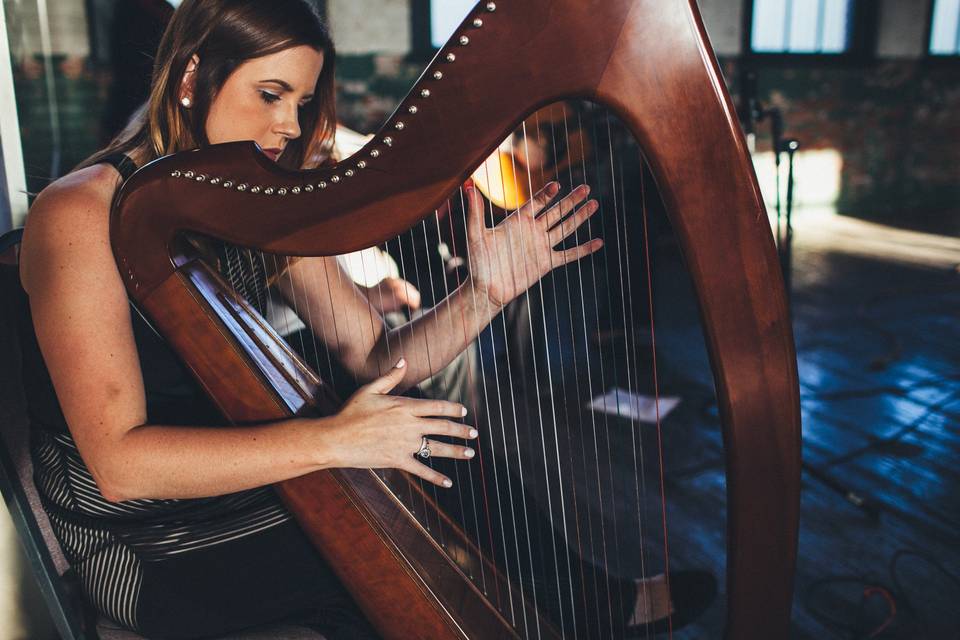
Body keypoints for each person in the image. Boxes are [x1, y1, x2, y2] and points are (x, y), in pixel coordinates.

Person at [16, 0, 703, 637]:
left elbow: (374, 357)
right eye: (270, 95)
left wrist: (486, 293)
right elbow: (120, 467)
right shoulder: (78, 213)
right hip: (146, 539)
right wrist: (334, 440)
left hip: (245, 477)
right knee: (371, 564)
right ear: (194, 76)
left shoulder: (258, 199)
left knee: (440, 442)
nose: (289, 125)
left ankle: (597, 609)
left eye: (304, 102)